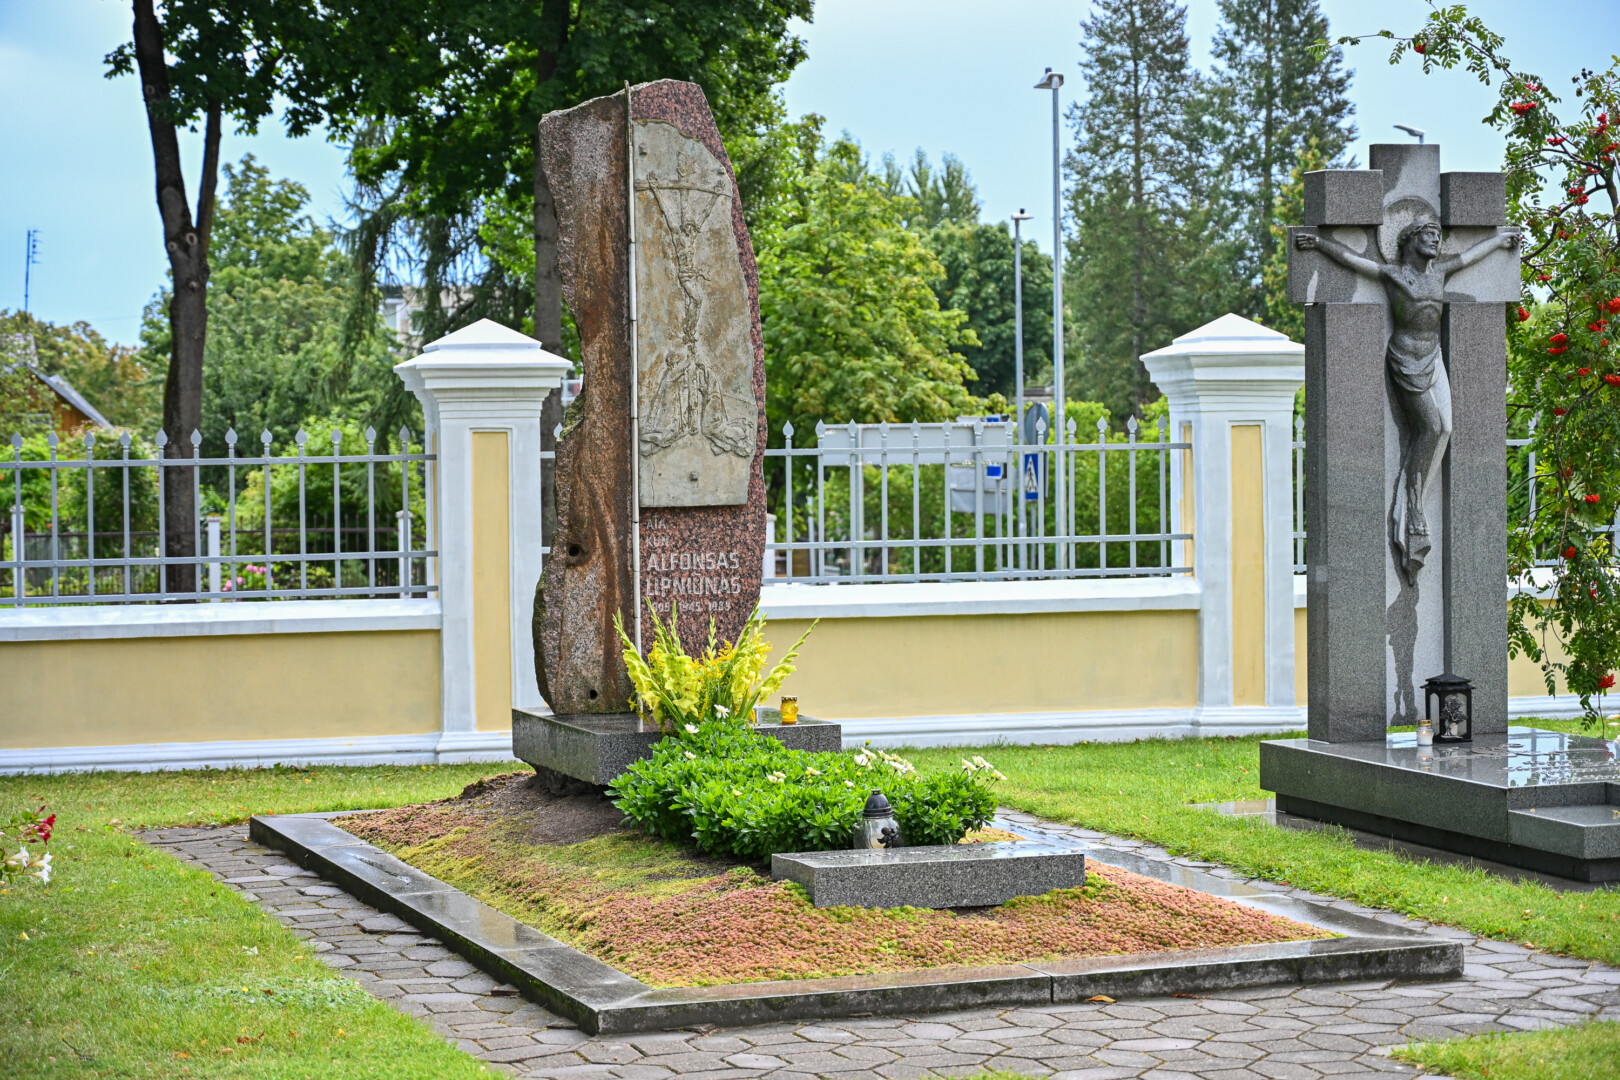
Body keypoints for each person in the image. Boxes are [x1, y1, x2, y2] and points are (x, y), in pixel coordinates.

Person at [1295, 219, 1518, 583]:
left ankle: (1413, 497)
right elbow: (1354, 261)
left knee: (1445, 428)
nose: (1436, 240)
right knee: (1431, 426)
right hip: (1406, 359)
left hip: (1434, 356)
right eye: (1429, 235)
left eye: (1438, 235)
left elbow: (1470, 256)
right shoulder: (1394, 274)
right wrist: (1320, 245)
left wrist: (1499, 241)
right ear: (1410, 240)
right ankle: (1412, 506)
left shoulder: (1440, 272)